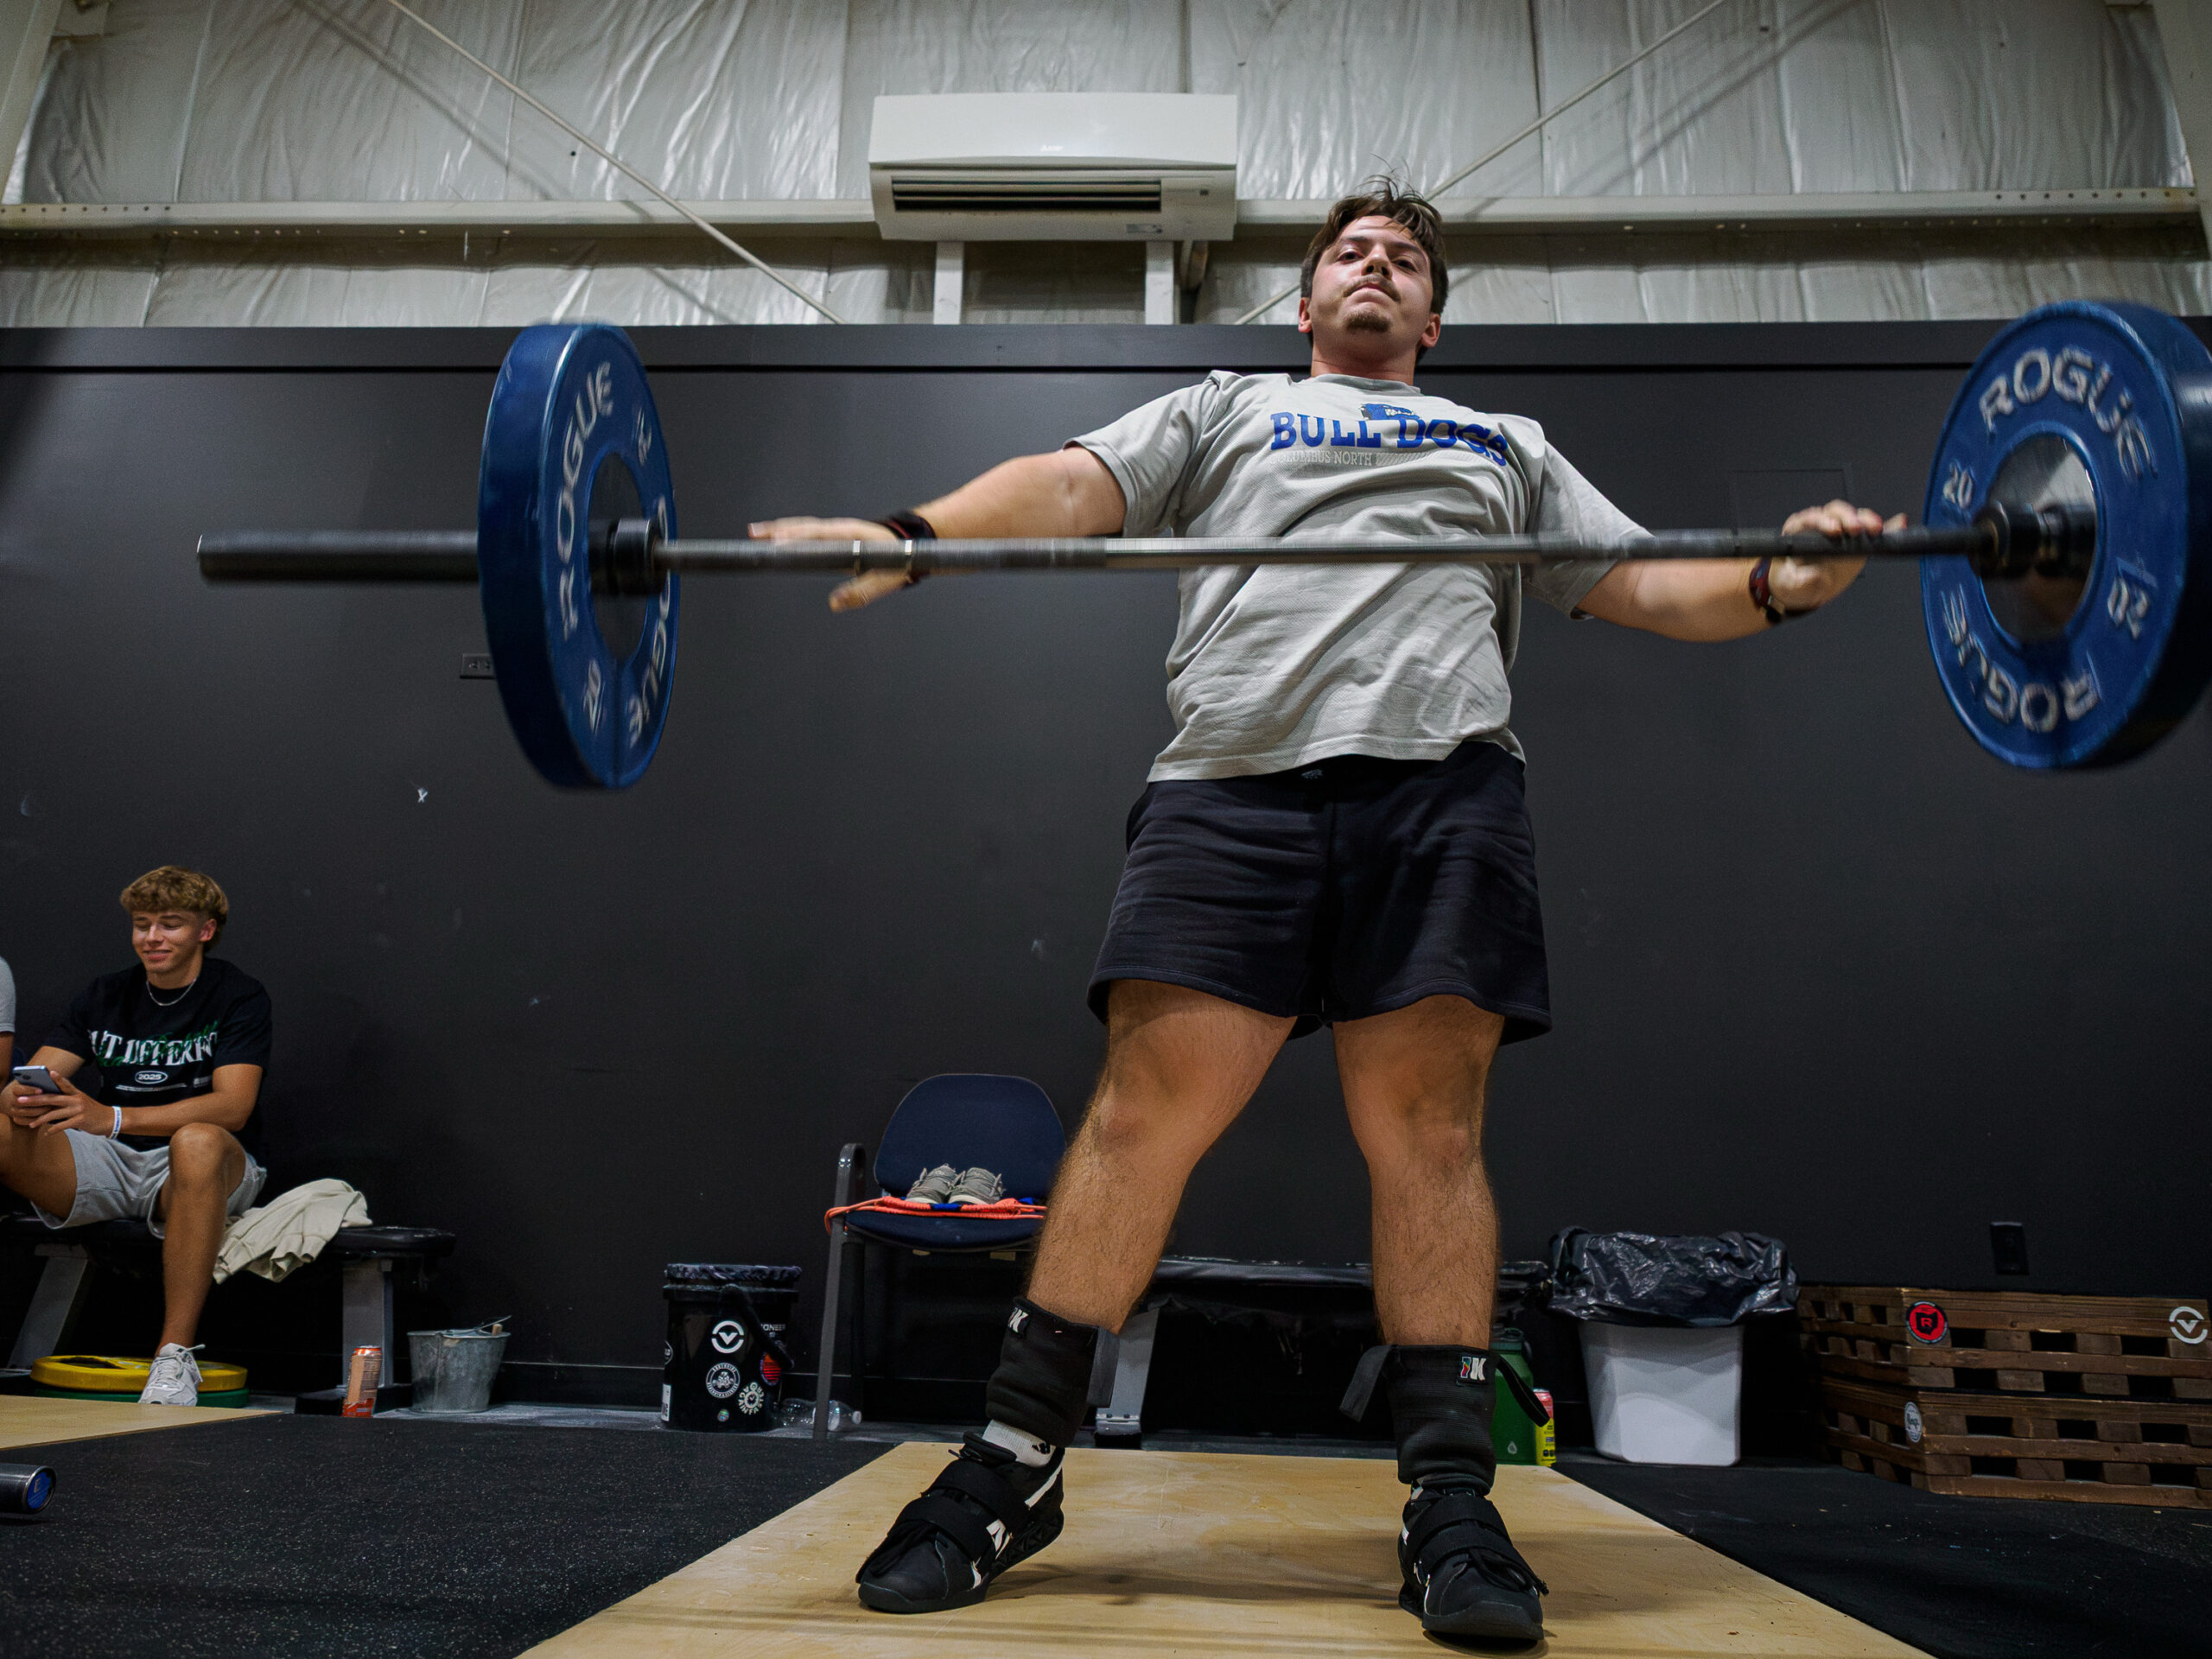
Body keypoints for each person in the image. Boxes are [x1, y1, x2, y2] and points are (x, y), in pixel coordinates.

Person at [755, 181, 1899, 1641]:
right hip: (1232, 787)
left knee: (1431, 1139)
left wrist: (1780, 581)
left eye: (1406, 259)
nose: (1377, 266)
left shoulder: (1502, 442)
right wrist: (915, 532)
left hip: (1442, 793)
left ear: (1433, 317)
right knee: (1138, 1120)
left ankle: (1450, 1502)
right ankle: (1014, 1460)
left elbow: (1641, 583)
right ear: (1306, 303)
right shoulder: (1228, 407)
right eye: (1352, 252)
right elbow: (1070, 489)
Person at [0, 867, 271, 1407]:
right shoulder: (105, 993)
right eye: (142, 924)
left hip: (203, 1167)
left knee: (197, 1139)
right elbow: (39, 1074)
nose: (152, 937)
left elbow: (234, 1107)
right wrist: (17, 1096)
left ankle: (174, 1357)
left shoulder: (238, 994)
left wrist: (114, 1117)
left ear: (205, 931)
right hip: (112, 1162)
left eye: (169, 924)